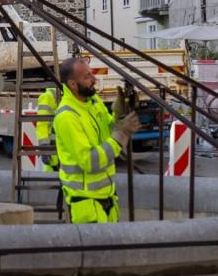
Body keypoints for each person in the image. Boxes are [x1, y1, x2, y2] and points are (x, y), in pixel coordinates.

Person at [52, 57, 140, 224]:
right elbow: (90, 161)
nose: (94, 80)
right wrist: (121, 133)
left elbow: (108, 130)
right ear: (72, 84)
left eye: (91, 74)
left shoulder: (93, 102)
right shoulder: (67, 117)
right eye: (87, 77)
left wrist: (119, 116)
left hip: (107, 197)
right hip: (86, 203)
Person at [36, 87, 59, 172]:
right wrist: (44, 146)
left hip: (60, 149)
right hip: (53, 150)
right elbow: (42, 123)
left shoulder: (69, 94)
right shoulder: (48, 96)